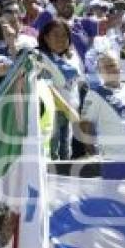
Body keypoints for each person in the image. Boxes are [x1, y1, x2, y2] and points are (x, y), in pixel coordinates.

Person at [38, 18, 84, 160]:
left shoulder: (72, 57)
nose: (61, 39)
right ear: (45, 37)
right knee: (53, 155)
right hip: (52, 114)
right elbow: (47, 87)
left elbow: (79, 85)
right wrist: (67, 110)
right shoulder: (40, 57)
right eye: (55, 35)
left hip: (70, 113)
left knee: (66, 155)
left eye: (64, 35)